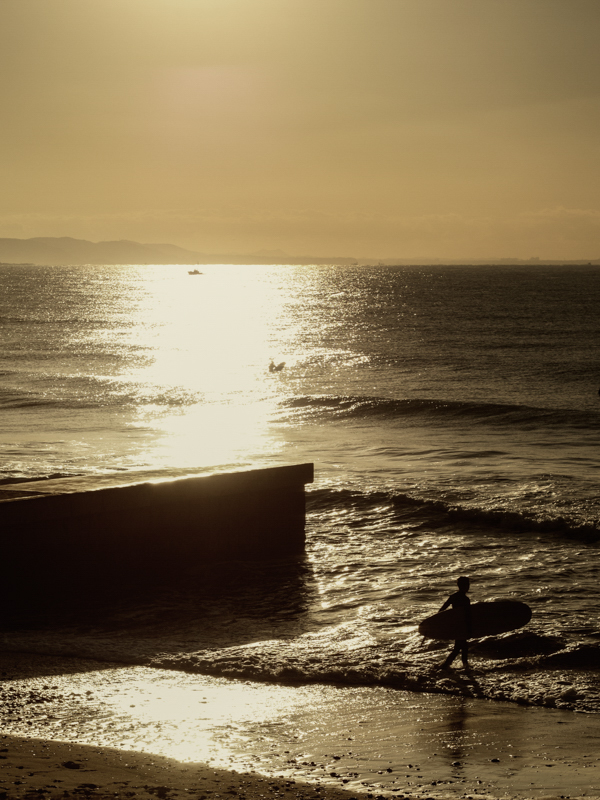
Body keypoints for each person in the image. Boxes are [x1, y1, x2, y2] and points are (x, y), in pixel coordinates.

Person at [440, 576, 471, 669]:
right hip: (462, 627)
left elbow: (442, 610)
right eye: (468, 585)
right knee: (459, 648)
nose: (469, 587)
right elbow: (468, 616)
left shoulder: (453, 597)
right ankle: (446, 665)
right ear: (464, 586)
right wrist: (470, 628)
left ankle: (464, 665)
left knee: (462, 647)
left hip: (456, 626)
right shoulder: (465, 599)